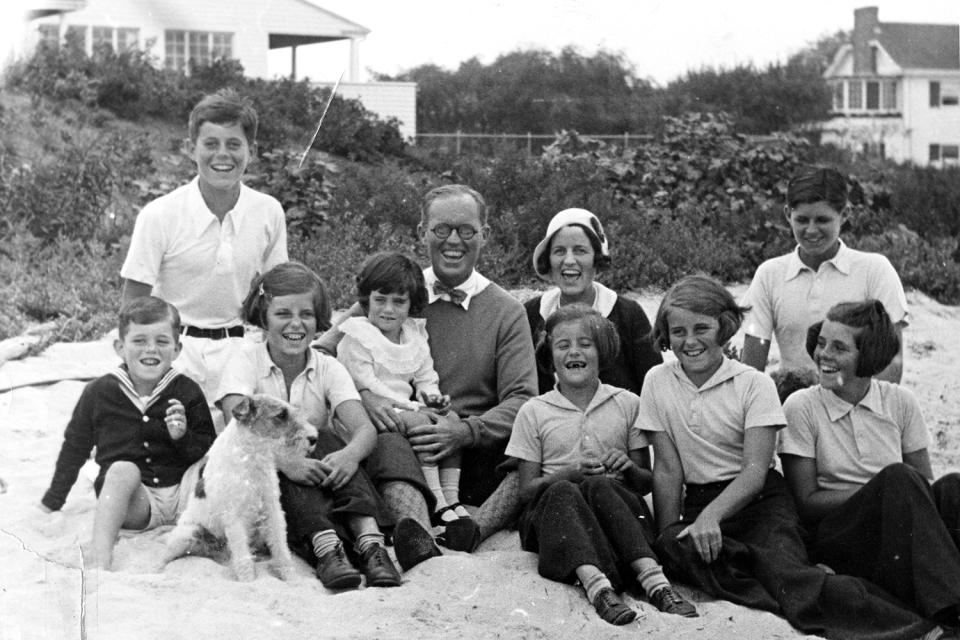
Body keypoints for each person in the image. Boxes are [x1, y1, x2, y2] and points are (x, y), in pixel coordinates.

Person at [641, 275, 938, 640]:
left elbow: (753, 472)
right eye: (678, 331)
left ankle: (911, 627)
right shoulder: (657, 380)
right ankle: (775, 571)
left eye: (701, 328)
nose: (689, 341)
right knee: (677, 549)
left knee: (786, 575)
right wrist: (668, 537)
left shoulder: (753, 383)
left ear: (725, 328)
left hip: (761, 500)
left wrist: (711, 517)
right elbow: (668, 469)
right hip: (702, 499)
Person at [315, 184, 537, 565]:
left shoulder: (506, 311)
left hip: (471, 447)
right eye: (441, 229)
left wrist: (466, 432)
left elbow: (523, 399)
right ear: (422, 232)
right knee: (389, 445)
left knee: (536, 451)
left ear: (485, 234)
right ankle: (416, 532)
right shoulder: (394, 291)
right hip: (404, 439)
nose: (453, 241)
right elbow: (323, 352)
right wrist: (366, 397)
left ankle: (475, 528)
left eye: (466, 230)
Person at [217, 262, 403, 590]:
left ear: (318, 320)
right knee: (280, 449)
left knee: (330, 438)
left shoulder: (327, 367)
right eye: (282, 313)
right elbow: (237, 415)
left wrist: (350, 456)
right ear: (263, 318)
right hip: (260, 477)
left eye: (306, 314)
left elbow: (364, 429)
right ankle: (326, 548)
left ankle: (371, 543)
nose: (296, 324)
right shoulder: (246, 360)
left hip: (317, 477)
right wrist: (287, 464)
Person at [507, 305, 697, 626]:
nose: (574, 352)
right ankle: (597, 588)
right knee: (566, 489)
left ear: (602, 351)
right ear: (549, 355)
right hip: (557, 526)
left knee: (599, 484)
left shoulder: (627, 403)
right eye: (563, 345)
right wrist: (566, 475)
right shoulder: (534, 411)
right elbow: (526, 491)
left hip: (617, 524)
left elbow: (644, 482)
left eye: (585, 343)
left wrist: (628, 468)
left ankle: (655, 582)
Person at [781, 299, 960, 630]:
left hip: (898, 528)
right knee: (899, 478)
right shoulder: (802, 406)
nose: (824, 355)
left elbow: (926, 486)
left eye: (839, 347)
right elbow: (805, 501)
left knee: (953, 487)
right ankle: (951, 610)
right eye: (821, 343)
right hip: (840, 534)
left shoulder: (900, 402)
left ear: (869, 356)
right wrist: (880, 492)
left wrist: (893, 493)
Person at [120, 89, 288, 426]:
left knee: (254, 437)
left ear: (251, 152)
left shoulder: (268, 211)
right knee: (165, 440)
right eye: (211, 144)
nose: (222, 155)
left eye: (234, 144)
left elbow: (279, 295)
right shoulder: (160, 214)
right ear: (190, 148)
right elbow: (133, 304)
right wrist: (137, 367)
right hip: (176, 350)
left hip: (242, 347)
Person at [40, 297, 216, 570]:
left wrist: (182, 437)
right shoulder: (99, 392)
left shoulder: (187, 390)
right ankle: (100, 556)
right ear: (120, 347)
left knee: (214, 464)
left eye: (161, 341)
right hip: (138, 504)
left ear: (177, 348)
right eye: (139, 341)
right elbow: (75, 446)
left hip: (186, 498)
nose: (151, 349)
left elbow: (207, 447)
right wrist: (53, 500)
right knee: (121, 470)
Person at [337, 252, 471, 527]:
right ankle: (438, 501)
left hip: (404, 407)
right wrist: (413, 407)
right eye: (380, 300)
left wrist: (432, 399)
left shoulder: (413, 334)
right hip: (369, 411)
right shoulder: (358, 336)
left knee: (451, 421)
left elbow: (424, 375)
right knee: (423, 422)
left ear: (411, 304)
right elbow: (365, 383)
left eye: (399, 302)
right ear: (366, 299)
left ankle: (452, 495)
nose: (388, 309)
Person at [741, 166, 907, 383]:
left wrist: (868, 412)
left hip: (855, 404)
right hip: (793, 403)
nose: (811, 230)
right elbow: (753, 359)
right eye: (801, 220)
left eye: (822, 220)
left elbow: (892, 361)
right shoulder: (769, 274)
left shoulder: (874, 270)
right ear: (787, 215)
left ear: (845, 214)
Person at [525, 208, 662, 395]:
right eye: (559, 251)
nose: (569, 260)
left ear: (596, 259)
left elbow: (654, 388)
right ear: (548, 260)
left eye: (580, 250)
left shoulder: (628, 314)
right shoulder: (531, 314)